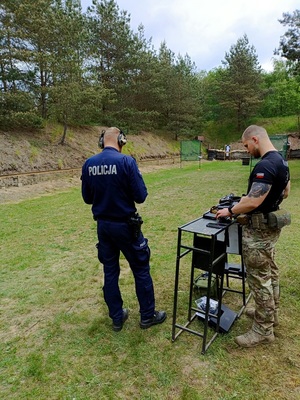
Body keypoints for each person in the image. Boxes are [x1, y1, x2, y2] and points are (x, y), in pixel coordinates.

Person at [81, 127, 166, 332]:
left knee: (110, 272)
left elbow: (87, 198)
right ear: (121, 140)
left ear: (102, 141)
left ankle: (117, 318)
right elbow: (141, 196)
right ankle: (147, 316)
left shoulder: (88, 164)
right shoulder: (126, 162)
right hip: (126, 226)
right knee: (141, 269)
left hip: (103, 227)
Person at [216, 125, 290, 348]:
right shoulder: (282, 161)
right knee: (271, 272)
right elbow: (285, 192)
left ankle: (263, 329)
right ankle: (270, 313)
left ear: (255, 140)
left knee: (259, 279)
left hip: (258, 232)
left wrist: (229, 211)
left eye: (247, 145)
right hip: (270, 228)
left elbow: (253, 200)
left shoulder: (265, 165)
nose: (247, 150)